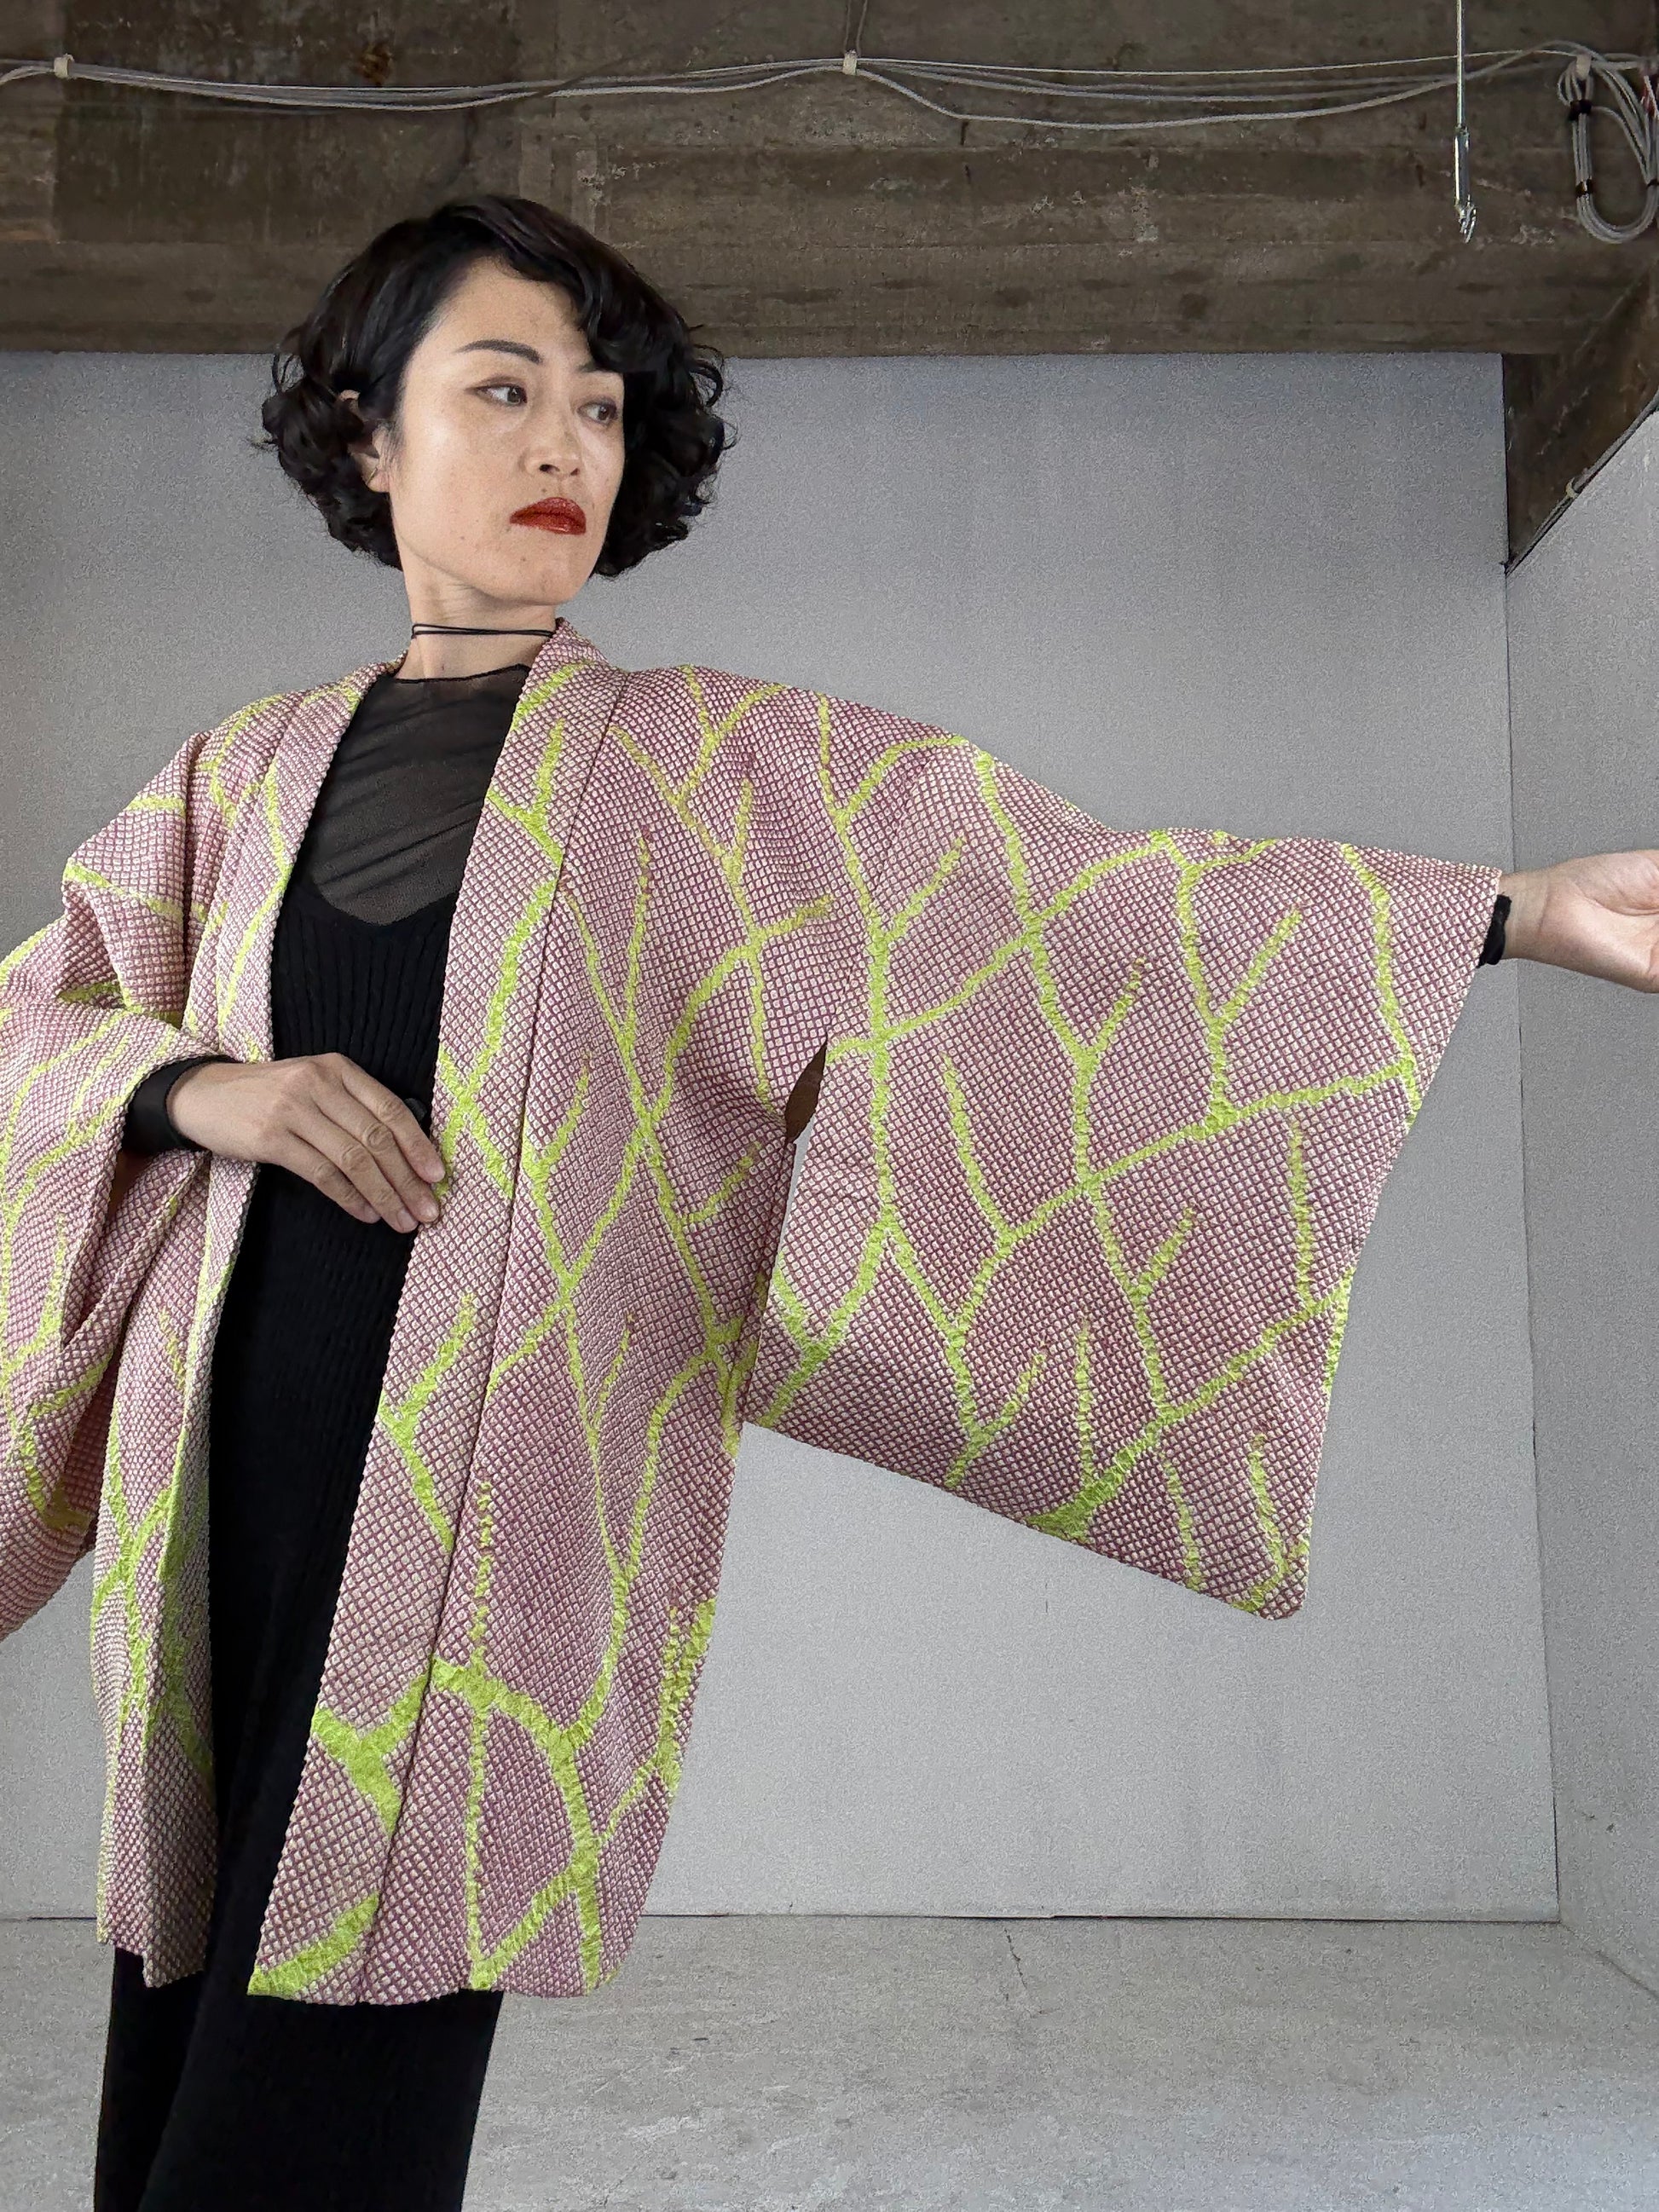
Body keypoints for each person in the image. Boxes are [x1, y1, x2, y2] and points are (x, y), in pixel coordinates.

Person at [6, 193, 1651, 2211]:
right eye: (502, 390)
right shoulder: (233, 778)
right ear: (366, 432)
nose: (561, 444)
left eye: (598, 405)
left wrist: (1501, 910)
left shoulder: (715, 771)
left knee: (310, 2125)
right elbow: (32, 1029)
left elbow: (1056, 918)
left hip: (473, 1548)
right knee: (170, 2069)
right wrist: (199, 1085)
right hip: (211, 1516)